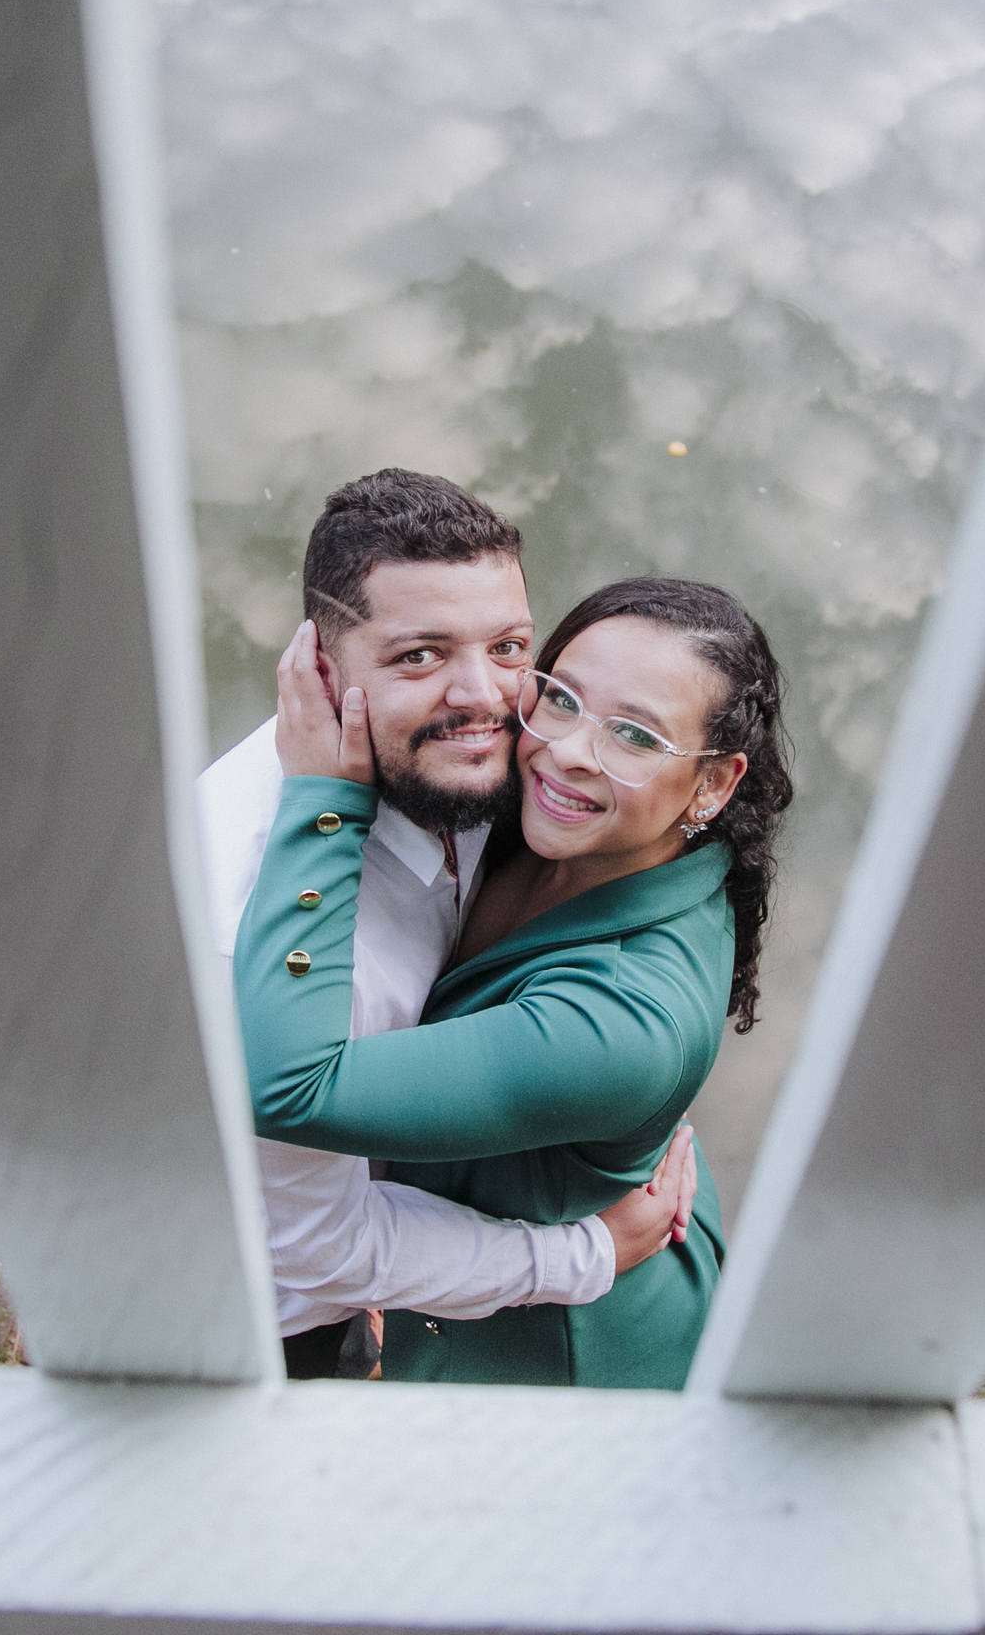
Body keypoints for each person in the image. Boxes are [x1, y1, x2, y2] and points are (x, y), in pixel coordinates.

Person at [236, 575, 794, 1389]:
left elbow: (286, 1088)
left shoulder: (625, 1025)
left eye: (635, 736)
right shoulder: (552, 818)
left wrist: (323, 802)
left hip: (560, 1354)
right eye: (561, 697)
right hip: (478, 1260)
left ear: (713, 783)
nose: (567, 751)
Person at [199, 470, 695, 1379]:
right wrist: (584, 1254)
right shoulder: (253, 933)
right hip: (247, 1309)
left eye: (507, 647)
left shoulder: (477, 763)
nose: (484, 698)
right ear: (320, 672)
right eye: (420, 656)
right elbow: (314, 1246)